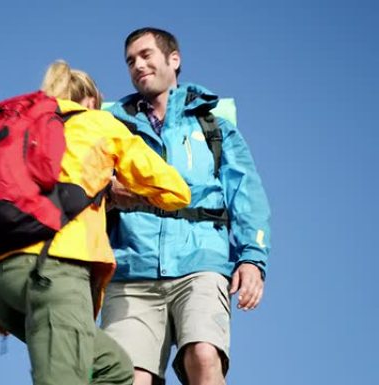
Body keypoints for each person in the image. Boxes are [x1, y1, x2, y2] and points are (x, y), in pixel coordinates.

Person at [0, 60, 192, 385]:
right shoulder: (96, 123)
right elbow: (176, 190)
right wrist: (118, 187)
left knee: (113, 369)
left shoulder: (15, 126)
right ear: (89, 101)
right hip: (52, 274)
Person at [101, 28, 271, 385]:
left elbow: (246, 194)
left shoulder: (212, 126)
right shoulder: (112, 128)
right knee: (128, 379)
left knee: (204, 355)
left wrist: (252, 258)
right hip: (132, 269)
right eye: (131, 60)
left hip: (200, 263)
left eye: (146, 55)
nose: (138, 65)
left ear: (173, 60)